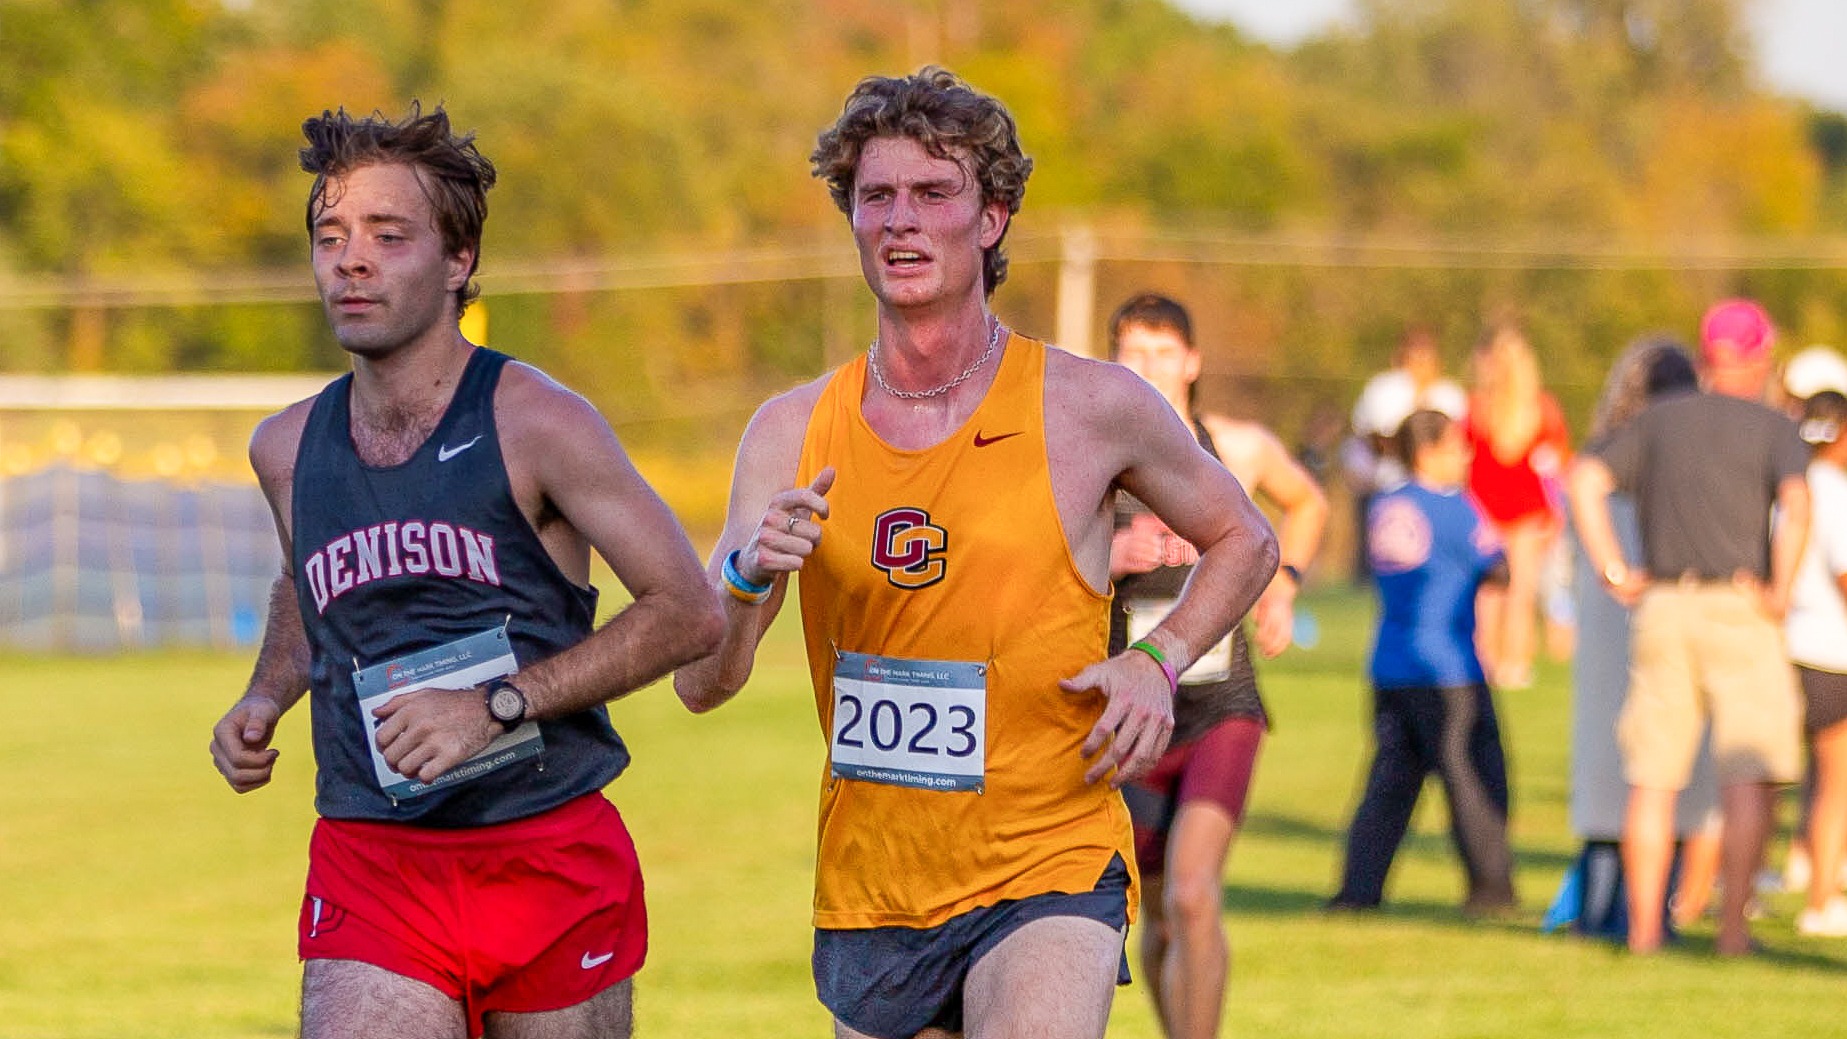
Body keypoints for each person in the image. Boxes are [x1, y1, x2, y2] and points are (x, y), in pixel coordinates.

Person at [672, 68, 1279, 1039]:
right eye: (875, 196)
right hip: (876, 884)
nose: (899, 221)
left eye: (932, 193)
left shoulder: (1089, 406)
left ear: (990, 218)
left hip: (1048, 854)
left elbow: (1243, 537)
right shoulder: (789, 429)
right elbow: (702, 683)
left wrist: (1158, 659)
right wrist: (748, 575)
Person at [207, 104, 723, 1039]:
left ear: (458, 261)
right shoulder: (285, 447)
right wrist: (265, 691)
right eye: (331, 236)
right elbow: (305, 580)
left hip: (548, 851)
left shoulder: (540, 422)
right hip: (375, 859)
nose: (350, 260)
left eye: (387, 236)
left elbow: (688, 610)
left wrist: (495, 706)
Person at [1105, 293, 1327, 1039]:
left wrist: (1285, 584)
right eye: (1134, 352)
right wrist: (1108, 555)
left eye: (1163, 352)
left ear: (1192, 362)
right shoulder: (1089, 455)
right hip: (1131, 717)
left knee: (1196, 892)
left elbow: (1306, 502)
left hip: (1218, 707)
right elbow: (1030, 550)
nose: (1149, 368)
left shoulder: (1237, 446)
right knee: (1158, 915)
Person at [1569, 297, 1810, 956]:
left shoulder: (1656, 421)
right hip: (1740, 606)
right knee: (1746, 773)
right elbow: (1796, 503)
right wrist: (1780, 590)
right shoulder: (1770, 426)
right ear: (1756, 357)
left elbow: (1584, 477)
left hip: (1663, 606)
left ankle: (1644, 933)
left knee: (1651, 777)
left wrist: (1613, 570)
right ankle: (1731, 930)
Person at [1555, 336, 1719, 940]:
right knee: (1662, 765)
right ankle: (1646, 911)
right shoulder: (1680, 462)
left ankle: (1600, 909)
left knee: (1609, 763)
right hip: (1658, 612)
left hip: (1606, 620)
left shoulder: (1599, 456)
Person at [1328, 408, 1518, 916]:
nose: (1467, 456)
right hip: (1448, 669)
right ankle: (1493, 890)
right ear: (1430, 452)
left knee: (1389, 786)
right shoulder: (1455, 510)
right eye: (1458, 446)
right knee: (1475, 779)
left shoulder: (1385, 506)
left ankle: (1357, 891)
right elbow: (1498, 569)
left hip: (1391, 664)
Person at [1463, 322, 1572, 690]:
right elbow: (1557, 469)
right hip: (1520, 516)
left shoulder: (1477, 410)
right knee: (1518, 592)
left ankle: (1486, 660)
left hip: (1491, 515)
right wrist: (1555, 515)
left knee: (1489, 594)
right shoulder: (1540, 410)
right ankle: (1513, 664)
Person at [1785, 389, 1847, 936]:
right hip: (1831, 649)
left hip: (1785, 642)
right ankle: (1821, 898)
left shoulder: (1787, 485)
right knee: (1837, 782)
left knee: (1774, 774)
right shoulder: (1835, 491)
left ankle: (1792, 863)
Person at [1344, 327, 1467, 584]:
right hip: (1394, 484)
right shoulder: (1383, 390)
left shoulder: (1450, 394)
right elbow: (1371, 438)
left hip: (1440, 491)